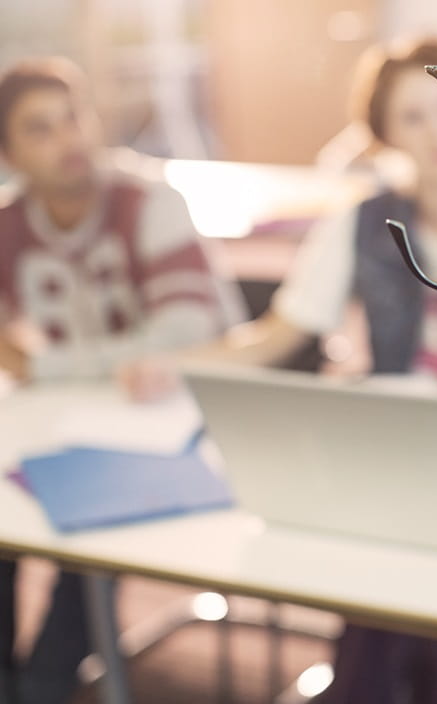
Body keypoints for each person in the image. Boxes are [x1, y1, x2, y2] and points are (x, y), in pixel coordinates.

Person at [192, 38, 437, 704]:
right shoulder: (358, 223)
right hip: (393, 453)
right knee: (402, 553)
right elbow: (283, 331)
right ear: (383, 134)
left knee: (396, 579)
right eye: (412, 116)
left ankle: (373, 687)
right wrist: (181, 365)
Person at [0, 58, 243, 703]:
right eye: (39, 129)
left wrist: (50, 363)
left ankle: (43, 685)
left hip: (176, 424)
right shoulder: (6, 226)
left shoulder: (150, 200)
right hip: (67, 420)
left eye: (72, 117)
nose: (67, 140)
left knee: (83, 542)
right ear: (10, 153)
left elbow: (186, 332)